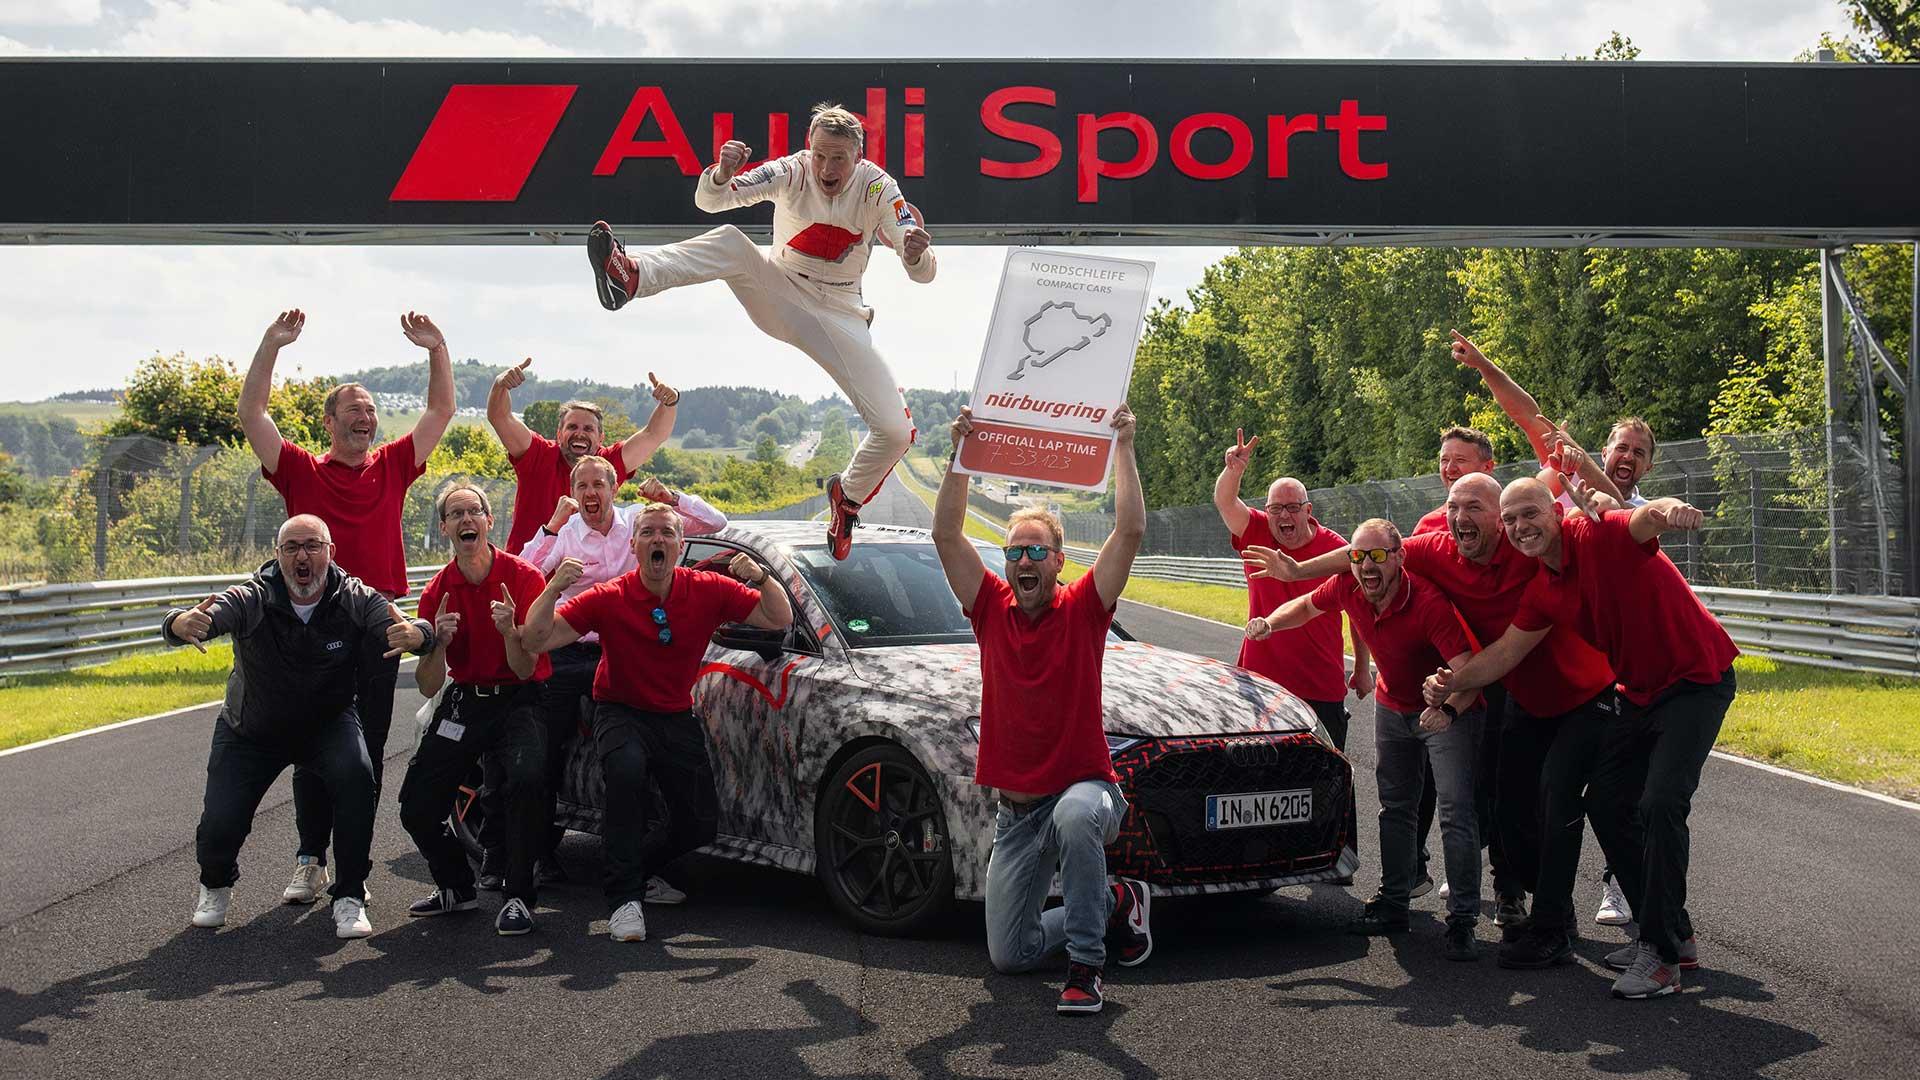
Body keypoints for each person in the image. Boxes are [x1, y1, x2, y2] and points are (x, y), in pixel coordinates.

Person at [1424, 478, 1737, 999]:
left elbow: (1645, 519)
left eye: (1531, 514)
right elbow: (1503, 655)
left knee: (1660, 802)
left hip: (1696, 681)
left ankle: (1659, 956)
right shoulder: (1545, 592)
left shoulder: (1595, 533)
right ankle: (1674, 936)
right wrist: (1449, 684)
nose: (1522, 527)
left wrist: (1670, 509)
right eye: (1512, 519)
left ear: (1556, 513)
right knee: (1608, 803)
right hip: (1638, 693)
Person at [586, 102, 936, 560]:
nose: (828, 169)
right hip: (781, 292)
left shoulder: (878, 186)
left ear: (859, 157)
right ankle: (631, 276)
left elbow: (923, 272)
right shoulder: (792, 171)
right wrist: (720, 173)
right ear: (809, 149)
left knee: (894, 431)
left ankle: (846, 501)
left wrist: (914, 255)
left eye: (840, 159)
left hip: (841, 314)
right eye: (821, 156)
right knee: (732, 241)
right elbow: (710, 202)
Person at [932, 404, 1154, 1016]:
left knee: (1078, 815)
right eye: (1015, 552)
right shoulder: (988, 608)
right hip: (1019, 813)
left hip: (1084, 791)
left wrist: (1125, 447)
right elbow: (947, 536)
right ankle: (1113, 904)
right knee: (1010, 954)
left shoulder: (1083, 609)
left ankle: (1086, 966)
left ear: (1059, 561)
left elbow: (1130, 532)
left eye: (1037, 552)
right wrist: (962, 456)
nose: (1024, 561)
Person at [239, 307, 454, 906]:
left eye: (370, 408)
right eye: (354, 408)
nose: (367, 415)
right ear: (330, 422)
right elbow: (252, 413)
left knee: (368, 746)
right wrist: (271, 342)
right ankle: (311, 858)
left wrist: (437, 350)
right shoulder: (300, 471)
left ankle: (352, 871)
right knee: (316, 745)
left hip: (380, 622)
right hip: (312, 623)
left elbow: (439, 412)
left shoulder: (391, 466)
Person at [521, 502, 793, 943]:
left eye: (667, 533)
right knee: (625, 775)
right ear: (634, 544)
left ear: (680, 545)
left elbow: (777, 617)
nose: (657, 540)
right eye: (647, 533)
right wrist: (553, 587)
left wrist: (761, 577)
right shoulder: (610, 595)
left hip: (674, 714)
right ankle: (624, 901)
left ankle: (634, 870)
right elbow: (536, 638)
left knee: (699, 822)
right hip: (619, 709)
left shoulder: (707, 589)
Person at [1449, 329, 1647, 925]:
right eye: (1617, 448)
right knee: (1524, 794)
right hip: (1537, 676)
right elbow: (1532, 417)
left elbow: (1642, 522)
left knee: (1615, 801)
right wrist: (1485, 366)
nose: (1623, 458)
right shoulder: (1543, 518)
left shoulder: (1614, 522)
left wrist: (1663, 513)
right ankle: (1527, 896)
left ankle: (1649, 914)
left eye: (1638, 452)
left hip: (1613, 685)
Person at [166, 514, 433, 939]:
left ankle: (349, 894)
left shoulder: (353, 596)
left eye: (312, 546)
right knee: (221, 821)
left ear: (330, 553)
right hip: (251, 729)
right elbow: (210, 614)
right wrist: (178, 624)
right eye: (291, 547)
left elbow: (402, 625)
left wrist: (419, 633)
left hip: (326, 724)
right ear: (278, 556)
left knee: (358, 778)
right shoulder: (254, 596)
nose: (302, 556)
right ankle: (215, 886)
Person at [1244, 519, 1486, 961]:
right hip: (1393, 707)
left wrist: (1448, 708)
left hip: (1447, 711)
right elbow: (1304, 607)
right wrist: (1269, 624)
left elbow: (1469, 671)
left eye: (1377, 556)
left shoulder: (1428, 604)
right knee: (1395, 808)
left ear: (1399, 557)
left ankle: (1463, 920)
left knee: (1455, 812)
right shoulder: (1347, 586)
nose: (1366, 566)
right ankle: (1394, 904)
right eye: (1358, 556)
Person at [492, 459, 728, 897]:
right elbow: (519, 568)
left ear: (614, 489)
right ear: (573, 493)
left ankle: (634, 861)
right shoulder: (566, 533)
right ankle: (535, 854)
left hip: (622, 651)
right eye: (581, 485)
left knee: (629, 757)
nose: (589, 492)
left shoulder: (639, 523)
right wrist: (549, 528)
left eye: (598, 483)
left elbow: (716, 523)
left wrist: (672, 498)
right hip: (567, 649)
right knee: (544, 749)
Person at [396, 485, 554, 936]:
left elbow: (525, 668)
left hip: (521, 697)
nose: (466, 519)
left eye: (474, 512)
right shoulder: (438, 590)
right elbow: (428, 685)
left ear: (488, 522)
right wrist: (437, 645)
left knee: (526, 782)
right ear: (445, 527)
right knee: (417, 804)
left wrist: (510, 630)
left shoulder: (524, 578)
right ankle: (455, 887)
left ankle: (519, 897)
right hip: (466, 697)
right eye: (455, 513)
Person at [1211, 429, 1371, 751]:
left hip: (1320, 683)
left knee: (1324, 774)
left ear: (1308, 511)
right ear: (1267, 511)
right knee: (1257, 771)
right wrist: (1233, 471)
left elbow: (1360, 614)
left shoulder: (1335, 548)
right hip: (1260, 679)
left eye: (1293, 507)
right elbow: (1225, 501)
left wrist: (1363, 668)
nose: (1284, 515)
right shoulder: (1255, 529)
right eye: (1276, 508)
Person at [486, 356, 682, 555]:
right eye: (572, 427)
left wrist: (670, 401)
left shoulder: (607, 464)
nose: (580, 433)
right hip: (529, 575)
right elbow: (500, 417)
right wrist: (500, 385)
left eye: (588, 429)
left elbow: (654, 435)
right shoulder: (538, 455)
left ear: (600, 438)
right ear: (559, 434)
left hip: (585, 580)